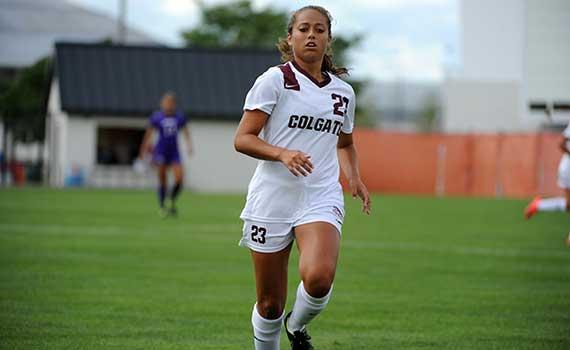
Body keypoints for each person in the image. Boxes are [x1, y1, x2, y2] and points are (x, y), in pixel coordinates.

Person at [234, 5, 371, 349]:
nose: (312, 35)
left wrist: (354, 176)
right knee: (269, 305)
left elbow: (346, 143)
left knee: (319, 278)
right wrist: (282, 153)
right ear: (290, 37)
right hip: (272, 197)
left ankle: (296, 328)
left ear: (328, 39)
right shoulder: (274, 80)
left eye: (320, 30)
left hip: (319, 194)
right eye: (304, 29)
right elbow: (243, 139)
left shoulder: (343, 93)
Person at [139, 92, 192, 217]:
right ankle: (163, 205)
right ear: (162, 104)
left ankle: (171, 199)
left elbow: (185, 132)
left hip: (174, 151)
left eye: (171, 103)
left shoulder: (179, 117)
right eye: (166, 102)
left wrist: (189, 145)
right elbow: (149, 134)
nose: (168, 105)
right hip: (161, 150)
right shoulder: (157, 117)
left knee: (179, 178)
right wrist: (143, 149)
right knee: (162, 179)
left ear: (174, 104)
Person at [524, 122, 570, 245]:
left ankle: (539, 205)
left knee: (568, 205)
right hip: (568, 169)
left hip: (566, 168)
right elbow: (561, 144)